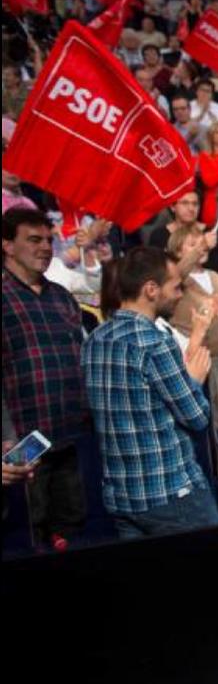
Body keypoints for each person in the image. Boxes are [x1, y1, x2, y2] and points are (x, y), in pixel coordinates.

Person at [81, 246, 218, 539]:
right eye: (176, 287)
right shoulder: (154, 342)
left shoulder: (95, 339)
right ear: (151, 289)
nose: (181, 294)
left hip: (122, 497)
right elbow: (197, 417)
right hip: (171, 493)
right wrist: (193, 379)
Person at [2, 208, 88, 546]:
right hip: (22, 448)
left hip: (69, 438)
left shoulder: (62, 297)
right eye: (33, 240)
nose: (44, 247)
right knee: (27, 537)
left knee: (72, 534)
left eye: (49, 240)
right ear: (6, 245)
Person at [166, 225, 218, 429]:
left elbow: (217, 316)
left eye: (202, 243)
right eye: (193, 244)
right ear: (178, 252)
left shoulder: (216, 277)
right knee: (198, 415)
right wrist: (202, 245)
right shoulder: (180, 279)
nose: (201, 247)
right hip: (193, 356)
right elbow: (176, 272)